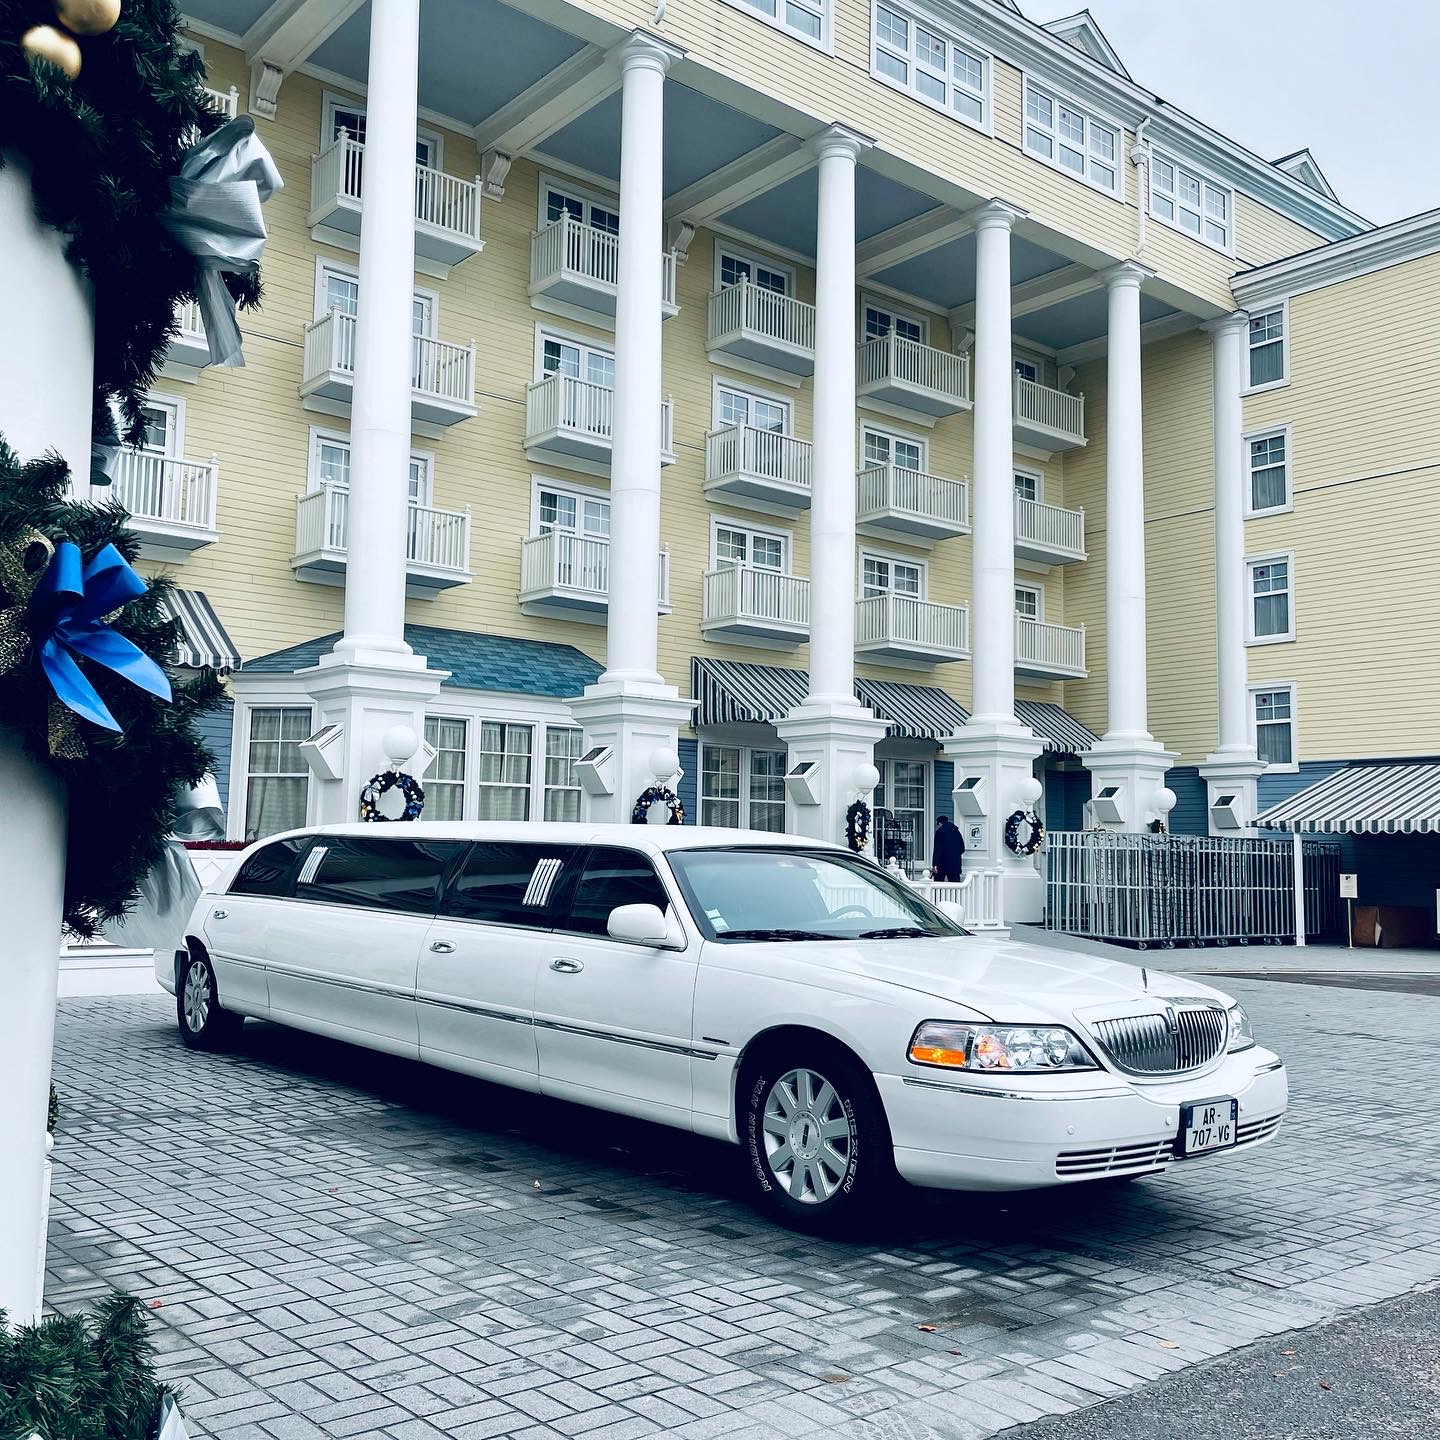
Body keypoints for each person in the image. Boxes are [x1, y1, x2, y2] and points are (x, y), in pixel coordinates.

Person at [931, 815, 965, 883]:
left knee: (938, 885)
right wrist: (955, 855)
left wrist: (935, 864)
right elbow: (962, 848)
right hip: (955, 863)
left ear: (940, 823)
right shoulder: (957, 832)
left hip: (942, 864)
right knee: (955, 886)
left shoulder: (939, 832)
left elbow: (937, 849)